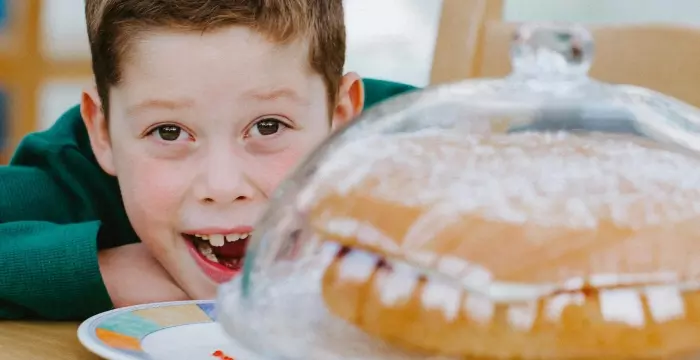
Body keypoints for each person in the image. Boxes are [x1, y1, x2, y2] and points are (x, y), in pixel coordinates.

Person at [0, 0, 416, 320]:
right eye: (169, 132)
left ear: (340, 119)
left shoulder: (416, 144)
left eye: (268, 126)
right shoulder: (74, 172)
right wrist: (102, 272)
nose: (222, 187)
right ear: (104, 134)